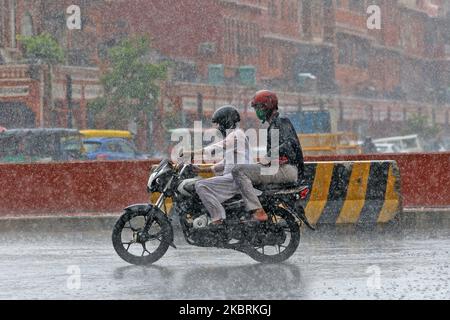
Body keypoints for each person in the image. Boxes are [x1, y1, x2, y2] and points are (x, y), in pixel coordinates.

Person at [231, 90, 304, 222]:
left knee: (238, 170)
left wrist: (268, 156)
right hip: (281, 169)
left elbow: (289, 144)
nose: (257, 112)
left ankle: (258, 211)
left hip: (286, 170)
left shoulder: (281, 122)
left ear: (268, 106)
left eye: (259, 108)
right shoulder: (274, 125)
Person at [193, 105, 255, 226]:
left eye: (219, 123)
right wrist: (202, 169)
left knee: (200, 185)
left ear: (226, 122)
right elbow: (225, 163)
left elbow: (218, 147)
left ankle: (217, 218)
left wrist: (192, 153)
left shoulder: (237, 135)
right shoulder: (236, 135)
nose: (218, 127)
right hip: (234, 179)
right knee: (204, 183)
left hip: (235, 180)